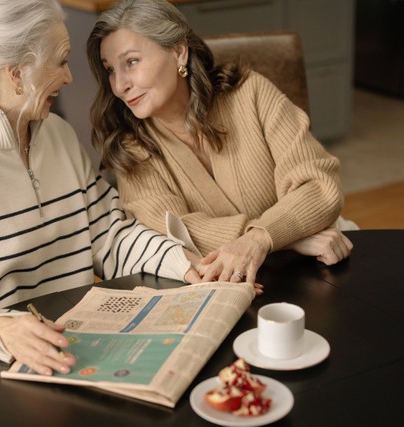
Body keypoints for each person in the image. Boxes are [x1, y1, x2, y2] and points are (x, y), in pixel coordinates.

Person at [0, 0, 204, 378]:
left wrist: (184, 263)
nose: (69, 78)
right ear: (17, 73)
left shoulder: (60, 137)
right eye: (60, 61)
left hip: (71, 352)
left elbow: (109, 238)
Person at [86, 0, 353, 286]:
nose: (119, 85)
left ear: (178, 51)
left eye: (132, 62)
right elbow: (178, 233)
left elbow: (319, 187)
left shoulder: (251, 93)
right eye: (111, 69)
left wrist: (263, 237)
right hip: (236, 282)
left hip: (317, 263)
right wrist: (284, 238)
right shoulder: (129, 146)